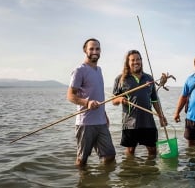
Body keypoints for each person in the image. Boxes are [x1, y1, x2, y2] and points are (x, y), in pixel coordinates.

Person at [67, 38, 116, 167]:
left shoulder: (99, 70)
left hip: (101, 122)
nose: (95, 51)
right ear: (85, 50)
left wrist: (104, 115)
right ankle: (82, 182)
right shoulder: (79, 70)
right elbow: (70, 95)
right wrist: (86, 103)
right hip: (85, 123)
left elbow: (98, 95)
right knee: (82, 161)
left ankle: (102, 182)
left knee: (110, 156)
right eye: (91, 48)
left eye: (97, 49)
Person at [112, 50, 167, 158]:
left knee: (152, 150)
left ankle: (150, 173)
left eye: (138, 59)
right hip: (130, 122)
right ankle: (132, 172)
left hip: (148, 121)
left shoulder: (149, 78)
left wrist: (161, 116)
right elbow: (114, 100)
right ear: (128, 62)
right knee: (130, 151)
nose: (136, 62)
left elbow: (155, 100)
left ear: (141, 61)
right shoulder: (120, 79)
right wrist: (120, 99)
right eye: (132, 60)